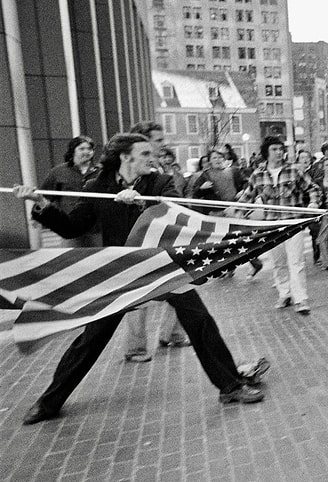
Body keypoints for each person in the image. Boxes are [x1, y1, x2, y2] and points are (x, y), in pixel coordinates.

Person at [13, 133, 266, 425]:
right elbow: (72, 227)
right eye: (145, 154)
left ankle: (230, 386)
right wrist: (41, 203)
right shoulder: (98, 187)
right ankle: (49, 402)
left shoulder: (158, 184)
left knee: (200, 321)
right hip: (123, 272)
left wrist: (141, 205)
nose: (152, 158)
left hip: (162, 267)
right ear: (125, 157)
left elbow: (178, 212)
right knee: (91, 340)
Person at [124, 121, 188, 361]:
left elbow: (173, 200)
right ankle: (136, 347)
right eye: (158, 140)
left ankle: (172, 334)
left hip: (165, 237)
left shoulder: (162, 170)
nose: (163, 144)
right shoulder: (129, 170)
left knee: (180, 284)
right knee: (139, 294)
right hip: (138, 241)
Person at [235, 136, 320, 314]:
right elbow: (247, 197)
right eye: (274, 149)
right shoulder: (258, 174)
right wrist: (236, 212)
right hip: (272, 226)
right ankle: (284, 293)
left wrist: (313, 203)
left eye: (281, 149)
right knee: (279, 262)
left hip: (292, 223)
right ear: (267, 152)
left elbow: (312, 188)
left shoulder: (294, 171)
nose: (279, 152)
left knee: (296, 261)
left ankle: (301, 299)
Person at [191, 149, 263, 277]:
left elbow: (246, 183)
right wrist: (202, 188)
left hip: (234, 209)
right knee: (222, 241)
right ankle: (229, 267)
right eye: (214, 158)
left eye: (219, 157)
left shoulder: (233, 171)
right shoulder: (205, 175)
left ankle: (254, 262)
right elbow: (195, 192)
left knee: (240, 238)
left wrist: (242, 190)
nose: (217, 160)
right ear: (209, 161)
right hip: (216, 212)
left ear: (224, 159)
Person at [40, 136, 101, 247]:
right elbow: (45, 195)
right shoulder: (58, 172)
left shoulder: (102, 172)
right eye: (82, 149)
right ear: (73, 151)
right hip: (70, 225)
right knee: (69, 259)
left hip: (97, 227)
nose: (86, 152)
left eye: (89, 149)